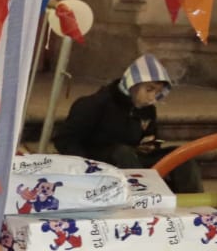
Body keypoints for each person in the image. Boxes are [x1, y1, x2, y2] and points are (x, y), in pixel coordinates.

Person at [53, 53, 201, 192]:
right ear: (133, 85)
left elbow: (153, 139)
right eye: (149, 90)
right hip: (100, 161)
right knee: (123, 152)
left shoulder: (147, 110)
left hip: (132, 161)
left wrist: (152, 144)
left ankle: (194, 204)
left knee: (181, 155)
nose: (152, 98)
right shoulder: (95, 104)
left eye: (157, 92)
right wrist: (86, 167)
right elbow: (65, 140)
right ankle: (143, 198)